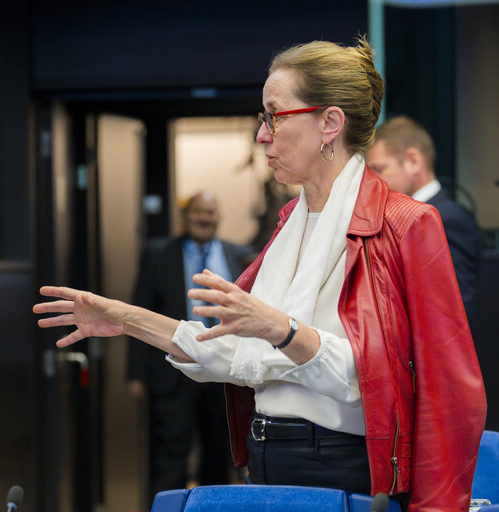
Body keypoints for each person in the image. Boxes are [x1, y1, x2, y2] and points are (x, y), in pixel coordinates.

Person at [33, 38, 486, 511]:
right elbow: (236, 355)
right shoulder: (292, 221)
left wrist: (282, 330)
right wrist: (126, 319)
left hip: (345, 467)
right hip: (267, 460)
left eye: (273, 115)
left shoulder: (407, 223)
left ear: (330, 123)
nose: (262, 135)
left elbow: (437, 391)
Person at [126, 191, 254, 500]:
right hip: (172, 372)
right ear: (185, 217)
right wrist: (135, 373)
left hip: (224, 373)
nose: (203, 218)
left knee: (218, 451)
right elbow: (140, 307)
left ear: (217, 219)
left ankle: (212, 507)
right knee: (170, 452)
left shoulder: (239, 255)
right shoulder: (158, 254)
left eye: (210, 213)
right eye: (197, 212)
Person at [367, 116, 482, 327]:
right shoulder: (405, 216)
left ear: (413, 161)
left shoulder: (446, 219)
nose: (373, 180)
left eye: (380, 169)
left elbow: (452, 313)